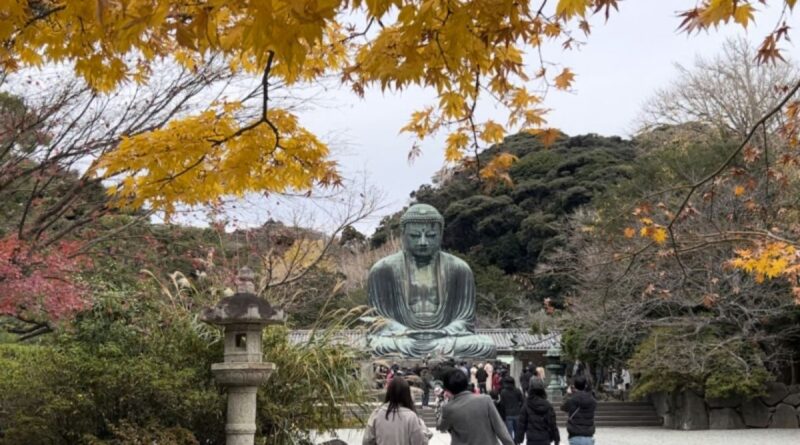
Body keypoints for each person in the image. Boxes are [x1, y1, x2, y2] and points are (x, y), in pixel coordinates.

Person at [437, 368, 514, 445]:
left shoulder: (449, 408)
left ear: (447, 389)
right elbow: (500, 428)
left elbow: (441, 427)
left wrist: (446, 402)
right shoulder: (485, 400)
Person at [363, 377, 431, 445]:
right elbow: (420, 442)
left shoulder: (377, 414)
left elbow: (367, 441)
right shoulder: (411, 417)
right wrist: (423, 428)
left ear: (389, 393)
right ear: (407, 395)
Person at [515, 379, 559, 445]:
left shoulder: (527, 405)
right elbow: (552, 424)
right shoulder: (548, 405)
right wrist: (556, 439)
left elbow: (521, 424)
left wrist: (518, 439)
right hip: (545, 439)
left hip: (531, 439)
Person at [560, 375, 596, 445]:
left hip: (575, 434)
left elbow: (563, 407)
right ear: (585, 385)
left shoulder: (572, 399)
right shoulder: (592, 400)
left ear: (575, 386)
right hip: (588, 435)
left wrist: (568, 394)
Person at [498, 376, 524, 440]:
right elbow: (522, 401)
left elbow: (502, 405)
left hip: (508, 414)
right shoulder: (517, 391)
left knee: (509, 433)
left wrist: (502, 416)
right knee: (517, 431)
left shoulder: (503, 392)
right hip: (517, 413)